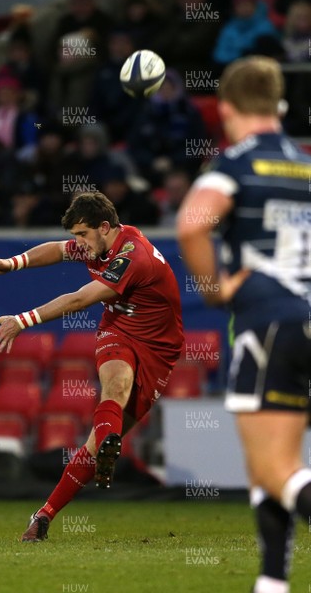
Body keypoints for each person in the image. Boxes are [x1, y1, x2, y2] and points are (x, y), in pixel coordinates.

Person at [0, 192, 184, 541]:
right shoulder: (96, 242)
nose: (78, 243)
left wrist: (21, 321)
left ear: (104, 227)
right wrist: (12, 263)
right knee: (115, 387)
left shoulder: (133, 257)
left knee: (93, 443)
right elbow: (57, 250)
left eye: (83, 235)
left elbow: (78, 299)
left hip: (159, 350)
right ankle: (101, 451)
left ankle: (48, 510)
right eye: (76, 235)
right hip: (117, 331)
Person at [176, 56, 311, 593]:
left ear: (225, 107)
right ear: (278, 105)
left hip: (270, 321)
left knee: (275, 468)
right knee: (270, 467)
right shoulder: (304, 164)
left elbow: (192, 226)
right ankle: (272, 583)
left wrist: (214, 291)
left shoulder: (233, 164)